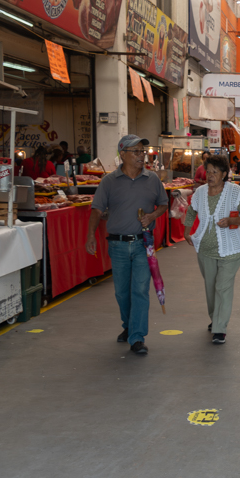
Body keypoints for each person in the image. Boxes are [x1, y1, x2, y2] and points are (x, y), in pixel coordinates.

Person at [87, 134, 169, 355]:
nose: (142, 156)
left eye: (143, 151)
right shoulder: (109, 182)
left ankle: (137, 337)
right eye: (136, 152)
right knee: (122, 293)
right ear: (122, 154)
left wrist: (152, 216)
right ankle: (128, 325)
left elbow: (163, 204)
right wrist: (90, 235)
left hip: (143, 244)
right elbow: (96, 209)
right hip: (118, 245)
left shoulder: (152, 179)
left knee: (140, 290)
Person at [183, 155, 240, 344]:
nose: (210, 175)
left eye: (215, 172)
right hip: (205, 249)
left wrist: (232, 221)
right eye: (208, 171)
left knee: (223, 287)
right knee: (211, 287)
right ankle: (216, 318)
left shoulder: (235, 191)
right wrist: (187, 231)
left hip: (231, 250)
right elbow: (191, 210)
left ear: (224, 174)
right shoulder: (199, 193)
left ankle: (220, 328)